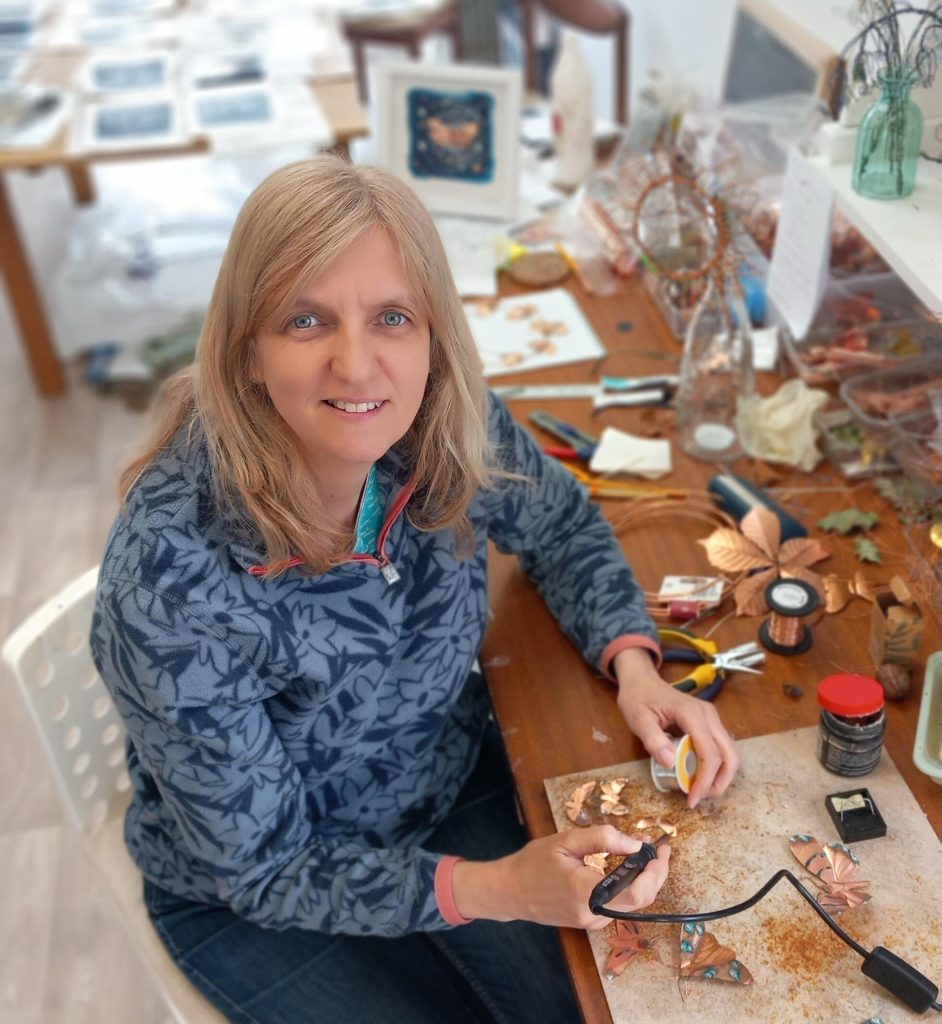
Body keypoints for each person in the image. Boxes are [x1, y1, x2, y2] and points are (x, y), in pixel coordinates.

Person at [91, 153, 741, 1024]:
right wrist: (499, 887)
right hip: (255, 892)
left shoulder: (450, 421)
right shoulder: (169, 581)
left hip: (439, 786)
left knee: (590, 1008)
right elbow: (262, 867)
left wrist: (633, 665)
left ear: (435, 334)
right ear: (246, 350)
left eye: (393, 316)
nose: (358, 366)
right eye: (306, 320)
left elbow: (559, 522)